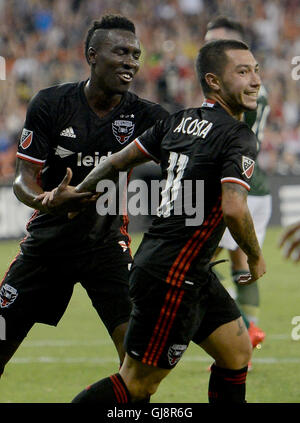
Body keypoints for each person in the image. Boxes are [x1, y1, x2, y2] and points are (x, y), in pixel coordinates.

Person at [39, 39, 266, 403]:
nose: (256, 80)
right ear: (214, 82)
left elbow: (114, 161)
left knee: (237, 353)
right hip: (173, 276)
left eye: (256, 70)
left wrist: (76, 194)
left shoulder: (179, 121)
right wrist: (255, 256)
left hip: (187, 267)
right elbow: (235, 208)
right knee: (137, 384)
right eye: (243, 72)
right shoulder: (237, 135)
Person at [0, 14, 168, 380]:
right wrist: (48, 200)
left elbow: (185, 169)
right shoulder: (51, 104)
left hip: (107, 248)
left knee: (138, 367)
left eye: (135, 54)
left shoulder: (149, 116)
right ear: (92, 55)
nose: (130, 61)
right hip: (47, 245)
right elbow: (22, 181)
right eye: (120, 51)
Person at [204, 16, 271, 351]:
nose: (208, 45)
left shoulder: (240, 87)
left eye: (216, 40)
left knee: (199, 261)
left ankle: (240, 328)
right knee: (238, 261)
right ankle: (250, 332)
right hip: (252, 182)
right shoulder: (253, 83)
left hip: (237, 183)